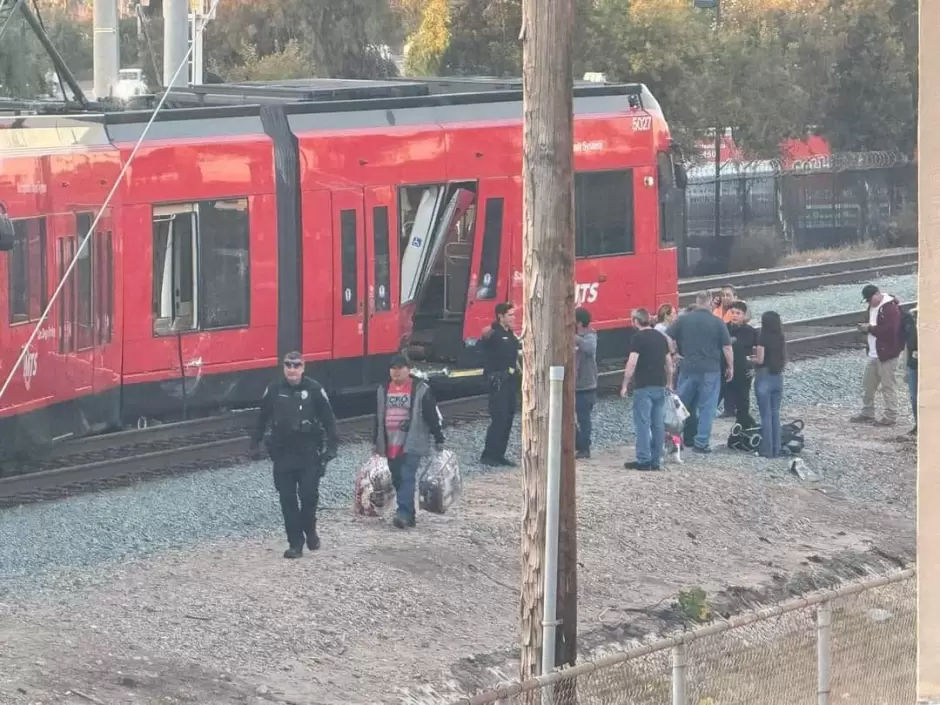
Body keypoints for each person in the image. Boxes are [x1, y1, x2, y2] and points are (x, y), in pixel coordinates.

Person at [250, 351, 339, 559]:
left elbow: (329, 421)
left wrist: (331, 448)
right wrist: (255, 443)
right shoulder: (274, 389)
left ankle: (310, 530)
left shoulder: (314, 390)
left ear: (303, 367)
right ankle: (295, 543)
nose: (291, 369)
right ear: (283, 368)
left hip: (309, 455)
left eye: (296, 365)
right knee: (287, 500)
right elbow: (261, 418)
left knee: (308, 497)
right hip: (283, 455)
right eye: (288, 365)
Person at [373, 355, 445, 529]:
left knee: (406, 476)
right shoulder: (383, 388)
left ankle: (403, 514)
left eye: (400, 367)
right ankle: (409, 514)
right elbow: (378, 416)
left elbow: (431, 414)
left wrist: (438, 436)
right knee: (397, 478)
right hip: (390, 443)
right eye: (393, 368)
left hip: (412, 441)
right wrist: (375, 441)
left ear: (408, 369)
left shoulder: (421, 389)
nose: (396, 371)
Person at [666, 291, 733, 453]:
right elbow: (727, 347)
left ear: (696, 301)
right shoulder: (717, 322)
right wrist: (731, 366)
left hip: (688, 368)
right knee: (707, 407)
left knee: (680, 406)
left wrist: (674, 353)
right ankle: (701, 443)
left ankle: (674, 440)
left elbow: (667, 336)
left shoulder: (684, 319)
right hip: (710, 370)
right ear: (710, 302)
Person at [621, 308, 673, 471]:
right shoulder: (661, 337)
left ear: (636, 321)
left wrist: (625, 384)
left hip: (643, 386)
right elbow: (669, 365)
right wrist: (669, 383)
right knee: (658, 424)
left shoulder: (637, 338)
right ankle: (656, 460)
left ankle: (643, 459)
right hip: (660, 385)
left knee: (643, 423)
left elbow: (632, 363)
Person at [850, 284, 904, 426]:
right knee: (868, 384)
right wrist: (867, 328)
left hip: (888, 353)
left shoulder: (890, 308)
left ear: (877, 294)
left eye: (869, 299)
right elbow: (875, 326)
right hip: (874, 352)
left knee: (888, 385)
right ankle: (867, 411)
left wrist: (870, 328)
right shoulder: (873, 307)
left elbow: (890, 331)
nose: (869, 302)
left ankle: (891, 415)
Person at [479, 302, 521, 466]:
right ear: (500, 316)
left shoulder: (510, 334)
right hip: (498, 381)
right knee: (499, 417)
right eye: (510, 315)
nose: (513, 318)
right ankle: (489, 454)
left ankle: (499, 454)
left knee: (509, 417)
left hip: (510, 381)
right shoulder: (494, 333)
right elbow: (484, 343)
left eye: (513, 314)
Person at [751, 311, 786, 458]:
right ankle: (776, 448)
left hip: (763, 375)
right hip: (777, 376)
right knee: (775, 413)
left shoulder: (762, 337)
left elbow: (760, 359)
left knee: (765, 415)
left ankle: (766, 450)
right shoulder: (780, 337)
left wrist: (750, 359)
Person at [725, 301, 758, 427]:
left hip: (742, 369)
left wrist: (753, 365)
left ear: (744, 315)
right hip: (725, 368)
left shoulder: (750, 331)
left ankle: (743, 422)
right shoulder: (724, 328)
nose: (734, 315)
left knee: (743, 397)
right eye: (732, 313)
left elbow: (756, 350)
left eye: (738, 313)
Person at [574, 307, 598, 459]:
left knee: (584, 418)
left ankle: (584, 448)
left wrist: (574, 338)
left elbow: (589, 348)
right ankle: (578, 443)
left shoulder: (591, 335)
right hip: (572, 384)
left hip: (586, 385)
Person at [904, 308, 918, 436]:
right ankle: (918, 424)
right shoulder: (910, 321)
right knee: (914, 396)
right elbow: (908, 346)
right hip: (914, 363)